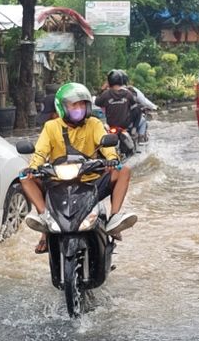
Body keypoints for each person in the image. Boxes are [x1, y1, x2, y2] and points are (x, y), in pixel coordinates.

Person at [22, 82, 136, 251]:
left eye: (82, 104)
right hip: (57, 181)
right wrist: (33, 167)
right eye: (74, 104)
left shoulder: (94, 124)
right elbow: (40, 152)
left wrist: (112, 158)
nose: (79, 108)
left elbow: (107, 145)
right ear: (62, 107)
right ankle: (45, 219)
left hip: (90, 181)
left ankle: (114, 219)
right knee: (25, 177)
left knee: (124, 170)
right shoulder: (51, 127)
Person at [95, 69, 138, 134]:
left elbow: (97, 102)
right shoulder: (128, 93)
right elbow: (135, 109)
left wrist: (102, 89)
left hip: (111, 126)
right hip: (125, 126)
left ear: (109, 82)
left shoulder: (106, 94)